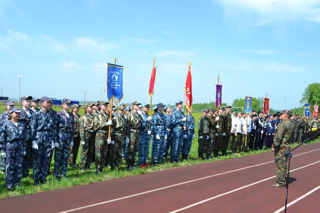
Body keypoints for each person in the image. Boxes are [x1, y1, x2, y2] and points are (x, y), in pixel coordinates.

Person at [30, 96, 56, 185]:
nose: (49, 104)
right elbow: (33, 128)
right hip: (39, 137)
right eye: (47, 102)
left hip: (48, 137)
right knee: (37, 159)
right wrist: (33, 141)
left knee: (46, 159)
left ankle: (43, 177)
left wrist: (53, 140)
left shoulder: (51, 114)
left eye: (49, 102)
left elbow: (53, 128)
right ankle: (36, 178)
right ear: (42, 103)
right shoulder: (36, 114)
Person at [0, 107, 27, 191]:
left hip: (19, 147)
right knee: (9, 166)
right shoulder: (6, 124)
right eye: (16, 113)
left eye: (19, 113)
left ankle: (17, 182)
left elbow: (25, 137)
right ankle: (9, 184)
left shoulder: (22, 124)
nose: (18, 114)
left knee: (18, 165)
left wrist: (24, 148)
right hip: (10, 146)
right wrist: (3, 150)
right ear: (11, 113)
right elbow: (2, 138)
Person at [271, 110, 294, 188]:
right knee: (283, 164)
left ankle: (281, 182)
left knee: (279, 164)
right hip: (286, 146)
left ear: (285, 115)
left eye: (282, 114)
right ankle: (282, 181)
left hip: (281, 147)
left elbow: (278, 137)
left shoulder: (283, 124)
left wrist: (274, 145)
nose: (280, 116)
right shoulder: (290, 123)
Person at [54, 99, 74, 181]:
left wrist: (72, 139)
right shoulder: (58, 115)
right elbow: (55, 128)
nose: (68, 106)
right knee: (58, 157)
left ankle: (63, 173)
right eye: (67, 104)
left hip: (68, 137)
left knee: (65, 156)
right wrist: (55, 140)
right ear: (62, 105)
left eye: (69, 104)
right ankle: (56, 174)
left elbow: (72, 129)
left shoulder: (71, 115)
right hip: (60, 137)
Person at [93, 101, 112, 175]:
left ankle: (101, 168)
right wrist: (105, 124)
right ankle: (97, 168)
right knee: (99, 153)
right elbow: (96, 126)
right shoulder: (97, 115)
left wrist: (109, 136)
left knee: (104, 152)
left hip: (106, 135)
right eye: (104, 105)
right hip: (100, 135)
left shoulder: (107, 116)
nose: (106, 106)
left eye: (106, 105)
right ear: (100, 106)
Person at [19, 96, 34, 178]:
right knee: (21, 156)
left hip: (31, 138)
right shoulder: (19, 112)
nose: (28, 103)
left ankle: (26, 172)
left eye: (29, 101)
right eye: (26, 101)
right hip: (22, 138)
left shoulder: (32, 113)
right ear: (22, 102)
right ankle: (20, 173)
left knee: (29, 156)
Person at [126, 101, 142, 170]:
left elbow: (140, 125)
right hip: (131, 133)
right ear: (133, 106)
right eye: (137, 105)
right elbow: (127, 126)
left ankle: (133, 163)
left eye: (138, 105)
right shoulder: (130, 115)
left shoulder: (138, 115)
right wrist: (127, 136)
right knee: (131, 149)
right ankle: (129, 164)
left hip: (137, 133)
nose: (138, 106)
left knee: (135, 149)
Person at [79, 103, 95, 171]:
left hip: (92, 134)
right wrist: (82, 139)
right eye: (90, 107)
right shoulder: (83, 117)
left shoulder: (94, 116)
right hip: (86, 134)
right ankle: (83, 166)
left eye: (92, 107)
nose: (91, 108)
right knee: (84, 151)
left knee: (90, 151)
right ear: (86, 108)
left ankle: (88, 165)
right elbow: (82, 128)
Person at [111, 105, 126, 170]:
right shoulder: (114, 119)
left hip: (122, 137)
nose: (122, 111)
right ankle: (112, 166)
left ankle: (118, 165)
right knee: (114, 152)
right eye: (121, 110)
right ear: (118, 110)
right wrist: (111, 138)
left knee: (120, 152)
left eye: (123, 110)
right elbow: (112, 129)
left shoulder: (123, 119)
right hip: (116, 137)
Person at [137, 103, 152, 168]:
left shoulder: (148, 115)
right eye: (146, 107)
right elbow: (140, 125)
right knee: (142, 149)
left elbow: (150, 125)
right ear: (142, 108)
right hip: (142, 134)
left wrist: (150, 130)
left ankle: (144, 161)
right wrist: (146, 121)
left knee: (146, 148)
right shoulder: (140, 115)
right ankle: (140, 162)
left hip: (147, 134)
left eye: (148, 107)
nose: (147, 108)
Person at [68, 104, 81, 168]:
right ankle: (71, 162)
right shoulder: (71, 116)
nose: (77, 109)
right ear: (73, 109)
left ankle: (74, 162)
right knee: (71, 150)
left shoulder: (79, 116)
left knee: (76, 149)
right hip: (72, 135)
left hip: (78, 135)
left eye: (78, 108)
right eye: (76, 108)